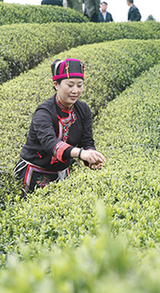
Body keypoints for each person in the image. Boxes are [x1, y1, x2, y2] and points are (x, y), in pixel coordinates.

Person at [14, 58, 106, 196]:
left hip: (62, 174)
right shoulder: (44, 112)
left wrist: (91, 157)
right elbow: (50, 143)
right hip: (33, 173)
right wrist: (81, 154)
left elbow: (87, 141)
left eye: (79, 85)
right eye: (70, 85)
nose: (75, 90)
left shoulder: (83, 109)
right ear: (56, 84)